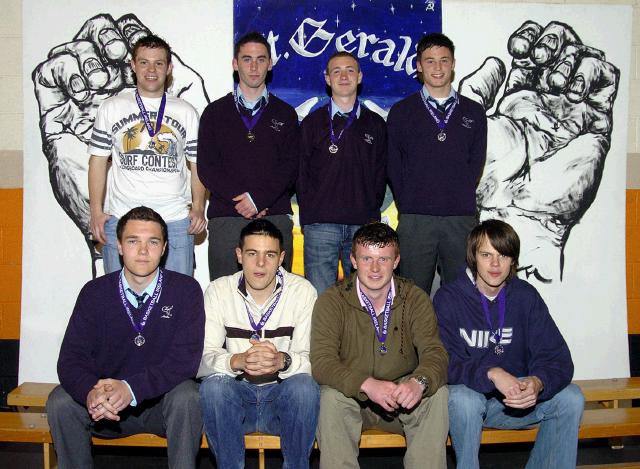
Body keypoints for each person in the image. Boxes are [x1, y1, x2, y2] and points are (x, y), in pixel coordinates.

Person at [46, 206, 205, 469]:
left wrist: (131, 389)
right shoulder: (94, 292)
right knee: (60, 401)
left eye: (152, 242)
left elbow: (185, 361)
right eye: (133, 241)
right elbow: (71, 359)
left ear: (164, 248)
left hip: (160, 407)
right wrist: (91, 393)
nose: (143, 251)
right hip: (106, 409)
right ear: (119, 246)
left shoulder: (185, 290)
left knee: (187, 396)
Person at [433, 219, 584, 469]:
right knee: (463, 399)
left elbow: (557, 358)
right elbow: (444, 362)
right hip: (471, 405)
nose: (495, 264)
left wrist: (537, 382)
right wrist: (491, 373)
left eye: (503, 255)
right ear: (473, 257)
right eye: (486, 255)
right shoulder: (449, 298)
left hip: (517, 402)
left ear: (513, 260)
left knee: (572, 398)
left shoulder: (525, 296)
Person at [311, 222, 449, 469]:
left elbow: (435, 352)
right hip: (352, 397)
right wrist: (366, 385)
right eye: (367, 258)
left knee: (436, 394)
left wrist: (419, 382)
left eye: (383, 259)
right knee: (330, 397)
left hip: (401, 396)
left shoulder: (415, 298)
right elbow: (322, 363)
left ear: (396, 261)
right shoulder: (332, 300)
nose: (375, 268)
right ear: (353, 260)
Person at [198, 219, 319, 469]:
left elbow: (314, 360)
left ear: (281, 258)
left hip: (281, 399)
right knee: (215, 387)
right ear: (239, 255)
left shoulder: (303, 291)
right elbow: (201, 360)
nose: (261, 264)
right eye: (252, 254)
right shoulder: (218, 290)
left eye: (270, 255)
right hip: (237, 398)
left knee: (304, 387)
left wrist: (282, 361)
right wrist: (236, 361)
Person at [88, 34, 206, 276]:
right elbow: (98, 161)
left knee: (176, 300)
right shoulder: (111, 107)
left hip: (174, 220)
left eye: (159, 63)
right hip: (122, 218)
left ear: (169, 68)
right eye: (144, 62)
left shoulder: (186, 112)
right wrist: (96, 212)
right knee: (119, 302)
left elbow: (197, 164)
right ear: (132, 65)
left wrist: (198, 207)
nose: (151, 70)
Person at [387, 32, 487, 294]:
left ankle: (455, 338)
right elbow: (393, 165)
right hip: (416, 219)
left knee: (463, 294)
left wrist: (458, 194)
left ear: (453, 64)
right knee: (411, 295)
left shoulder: (473, 112)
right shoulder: (401, 111)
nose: (438, 67)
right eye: (430, 61)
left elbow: (476, 163)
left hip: (460, 218)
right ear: (419, 67)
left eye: (444, 60)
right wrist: (408, 202)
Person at [197, 32, 299, 280]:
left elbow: (291, 167)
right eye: (246, 59)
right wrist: (243, 202)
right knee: (225, 299)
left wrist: (258, 200)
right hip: (227, 218)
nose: (254, 66)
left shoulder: (285, 114)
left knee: (278, 301)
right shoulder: (214, 113)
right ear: (235, 63)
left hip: (274, 216)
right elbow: (207, 168)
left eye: (261, 59)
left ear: (270, 64)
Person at [298, 51, 387, 294]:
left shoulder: (376, 125)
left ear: (359, 76)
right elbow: (301, 175)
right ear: (327, 79)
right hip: (320, 225)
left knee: (364, 298)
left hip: (363, 224)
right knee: (320, 299)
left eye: (349, 70)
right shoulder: (311, 123)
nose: (343, 76)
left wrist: (368, 211)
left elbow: (381, 176)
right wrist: (311, 214)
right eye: (336, 71)